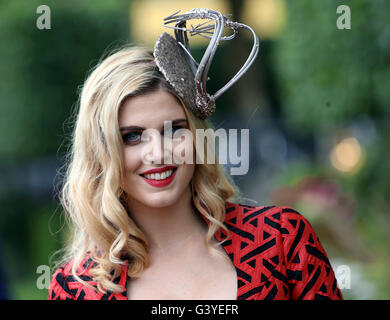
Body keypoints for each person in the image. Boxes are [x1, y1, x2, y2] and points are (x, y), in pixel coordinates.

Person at [48, 9, 343, 300]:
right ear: (101, 151)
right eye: (132, 136)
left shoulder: (281, 239)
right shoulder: (76, 288)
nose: (158, 153)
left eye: (174, 130)